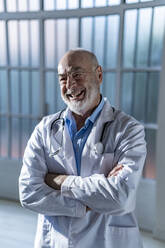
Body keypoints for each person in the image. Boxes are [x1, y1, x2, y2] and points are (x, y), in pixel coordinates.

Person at [19, 49, 146, 248]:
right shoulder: (45, 129)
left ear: (99, 74)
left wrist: (60, 181)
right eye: (63, 78)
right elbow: (28, 193)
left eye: (77, 74)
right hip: (55, 241)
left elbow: (121, 198)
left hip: (107, 240)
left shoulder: (129, 130)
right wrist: (85, 203)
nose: (69, 85)